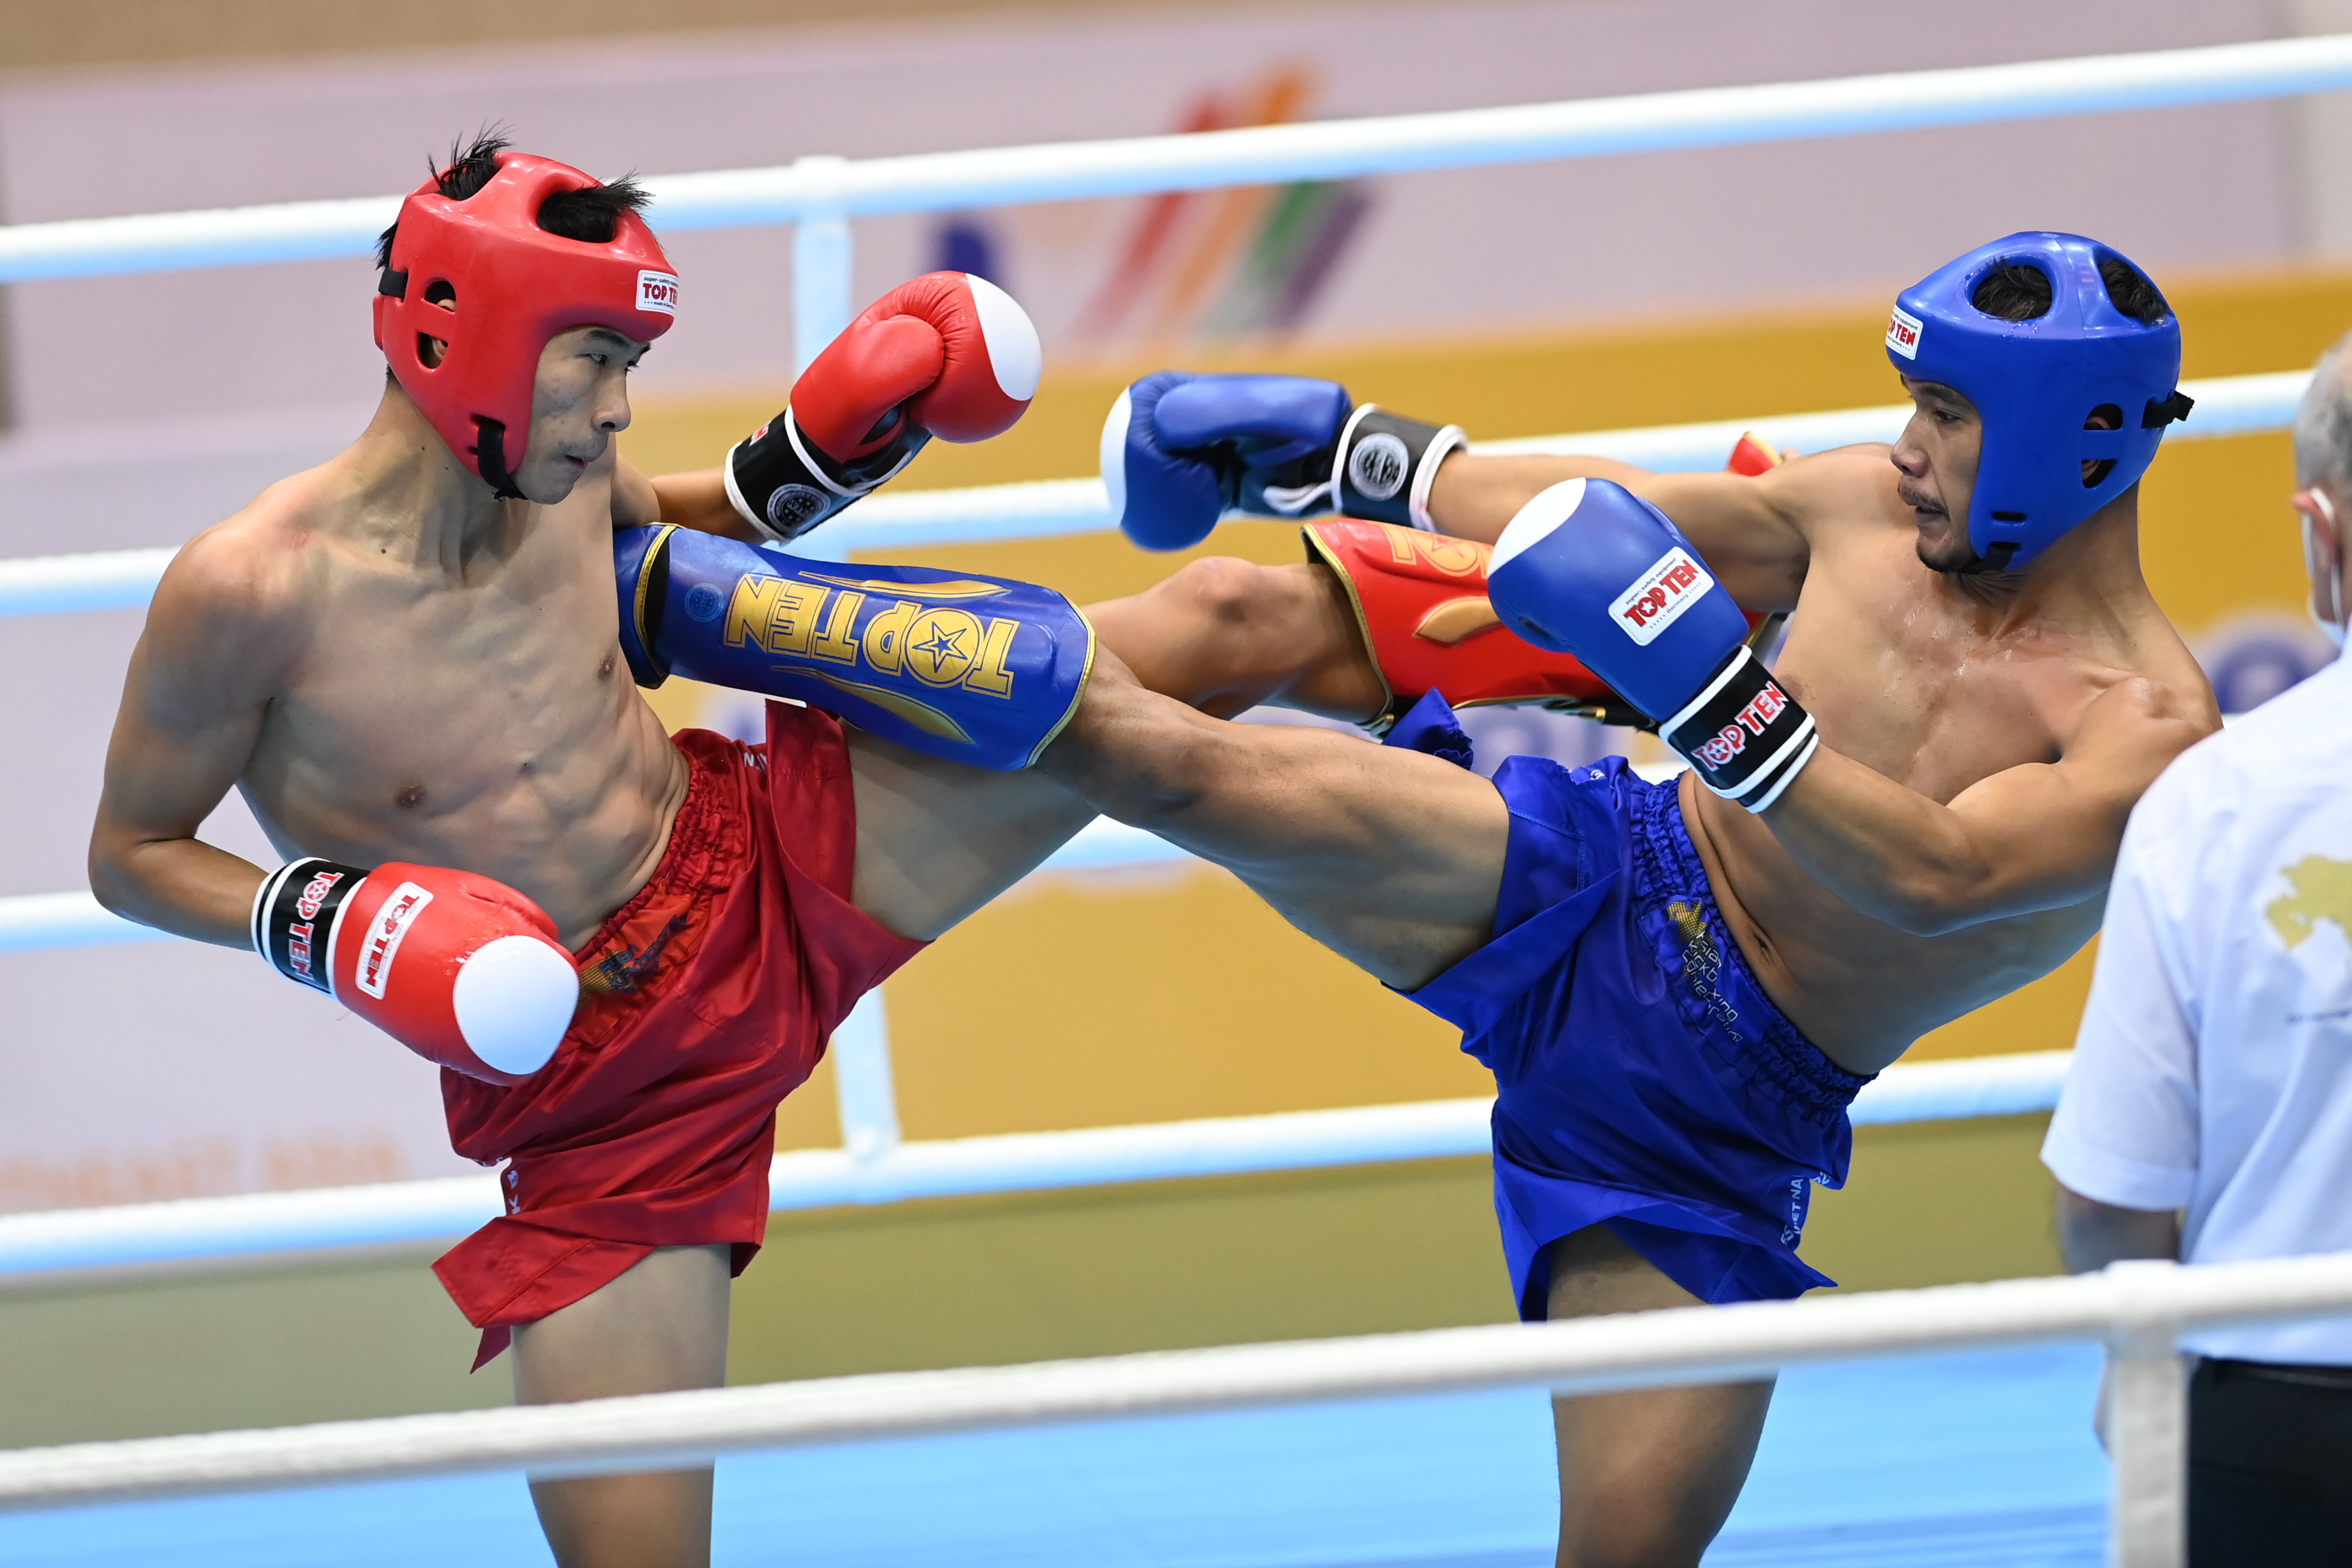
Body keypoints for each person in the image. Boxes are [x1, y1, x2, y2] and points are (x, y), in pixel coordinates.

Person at [1009, 231, 2218, 1567]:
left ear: (2068, 437)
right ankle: (776, 628)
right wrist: (1360, 452)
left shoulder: (2143, 725)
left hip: (1715, 1125)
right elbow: (1619, 512)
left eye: (1943, 413)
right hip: (1598, 875)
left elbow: (1941, 878)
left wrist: (1713, 699)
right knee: (1173, 762)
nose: (1904, 447)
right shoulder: (1861, 513)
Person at [86, 135, 1109, 1568]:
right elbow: (130, 852)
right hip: (598, 1081)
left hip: (760, 858)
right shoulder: (252, 591)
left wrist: (820, 453)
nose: (622, 408)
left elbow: (693, 535)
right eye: (594, 358)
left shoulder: (564, 478)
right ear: (472, 335)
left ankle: (1480, 623)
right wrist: (336, 923)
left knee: (1207, 646)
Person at [2040, 329, 2352, 1567]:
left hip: (2277, 1420)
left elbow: (2110, 1200)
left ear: (2319, 536)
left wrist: (2145, 1368)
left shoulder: (2218, 800)